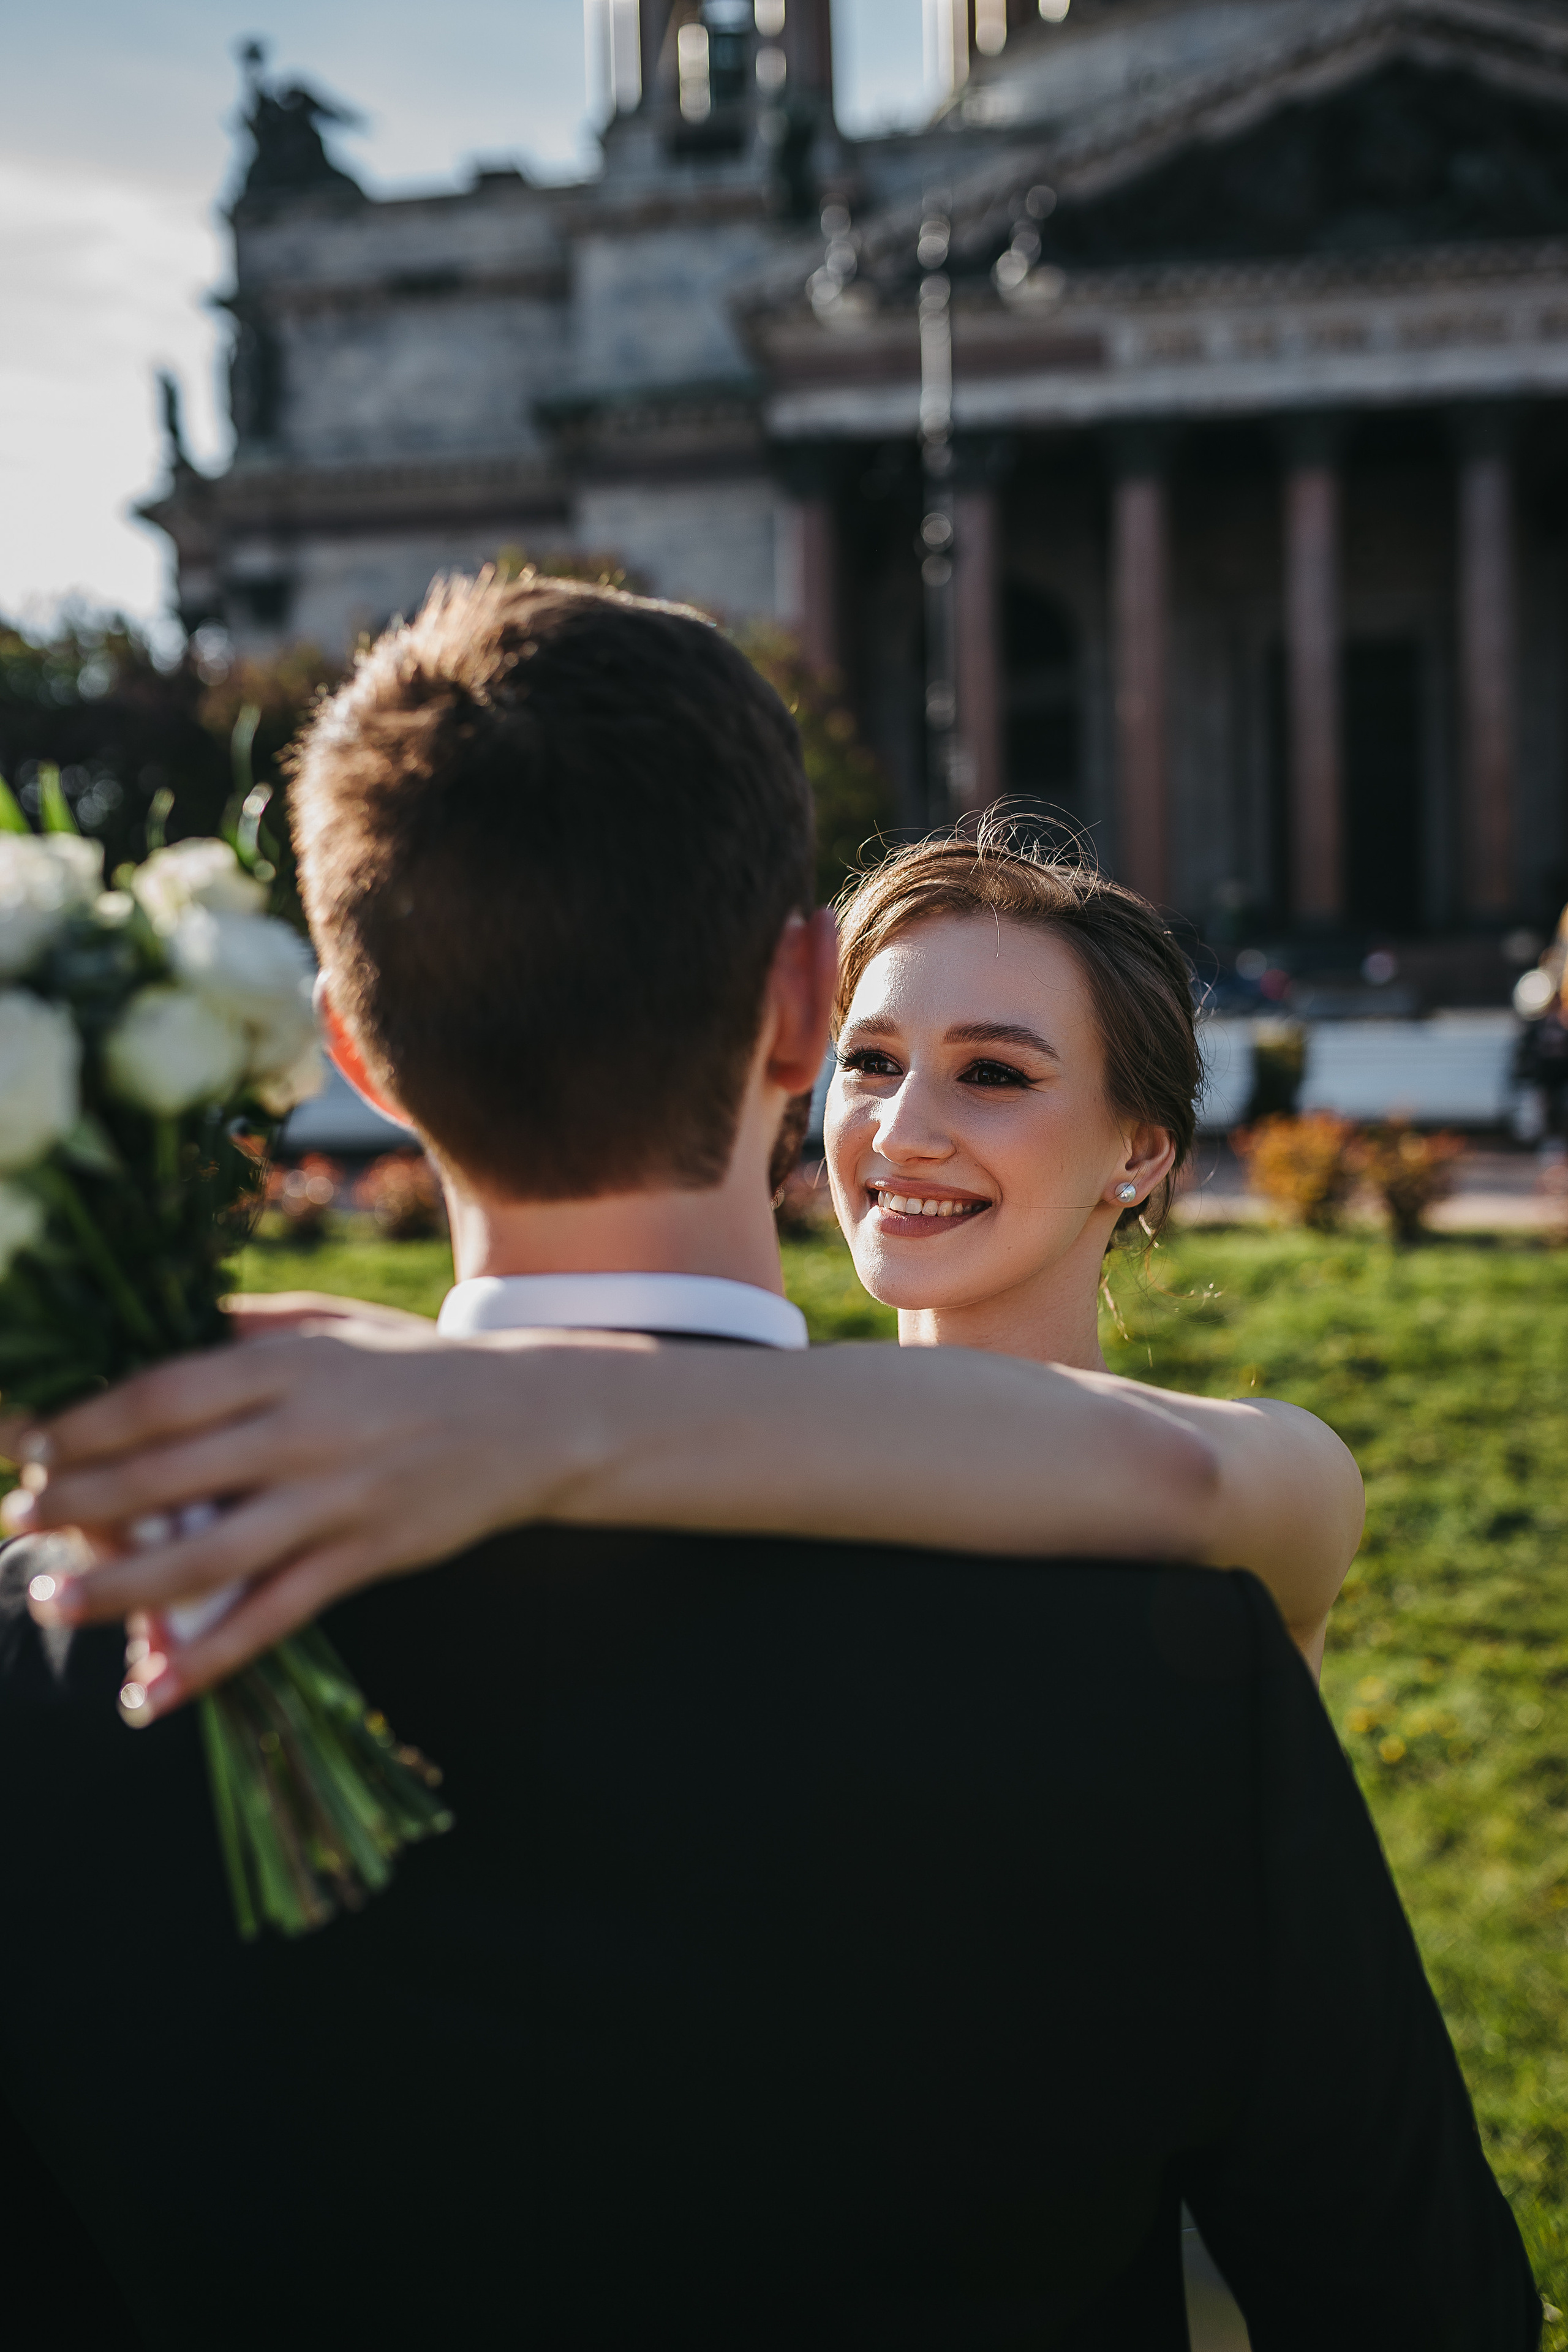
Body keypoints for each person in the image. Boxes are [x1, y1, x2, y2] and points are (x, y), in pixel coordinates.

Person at [1, 573, 1538, 2345]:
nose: (911, 1124)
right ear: (804, 1014)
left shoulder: (73, 1651)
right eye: (881, 1054)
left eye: (994, 1070)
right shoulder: (1167, 1676)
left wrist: (507, 1398)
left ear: (353, 1045)